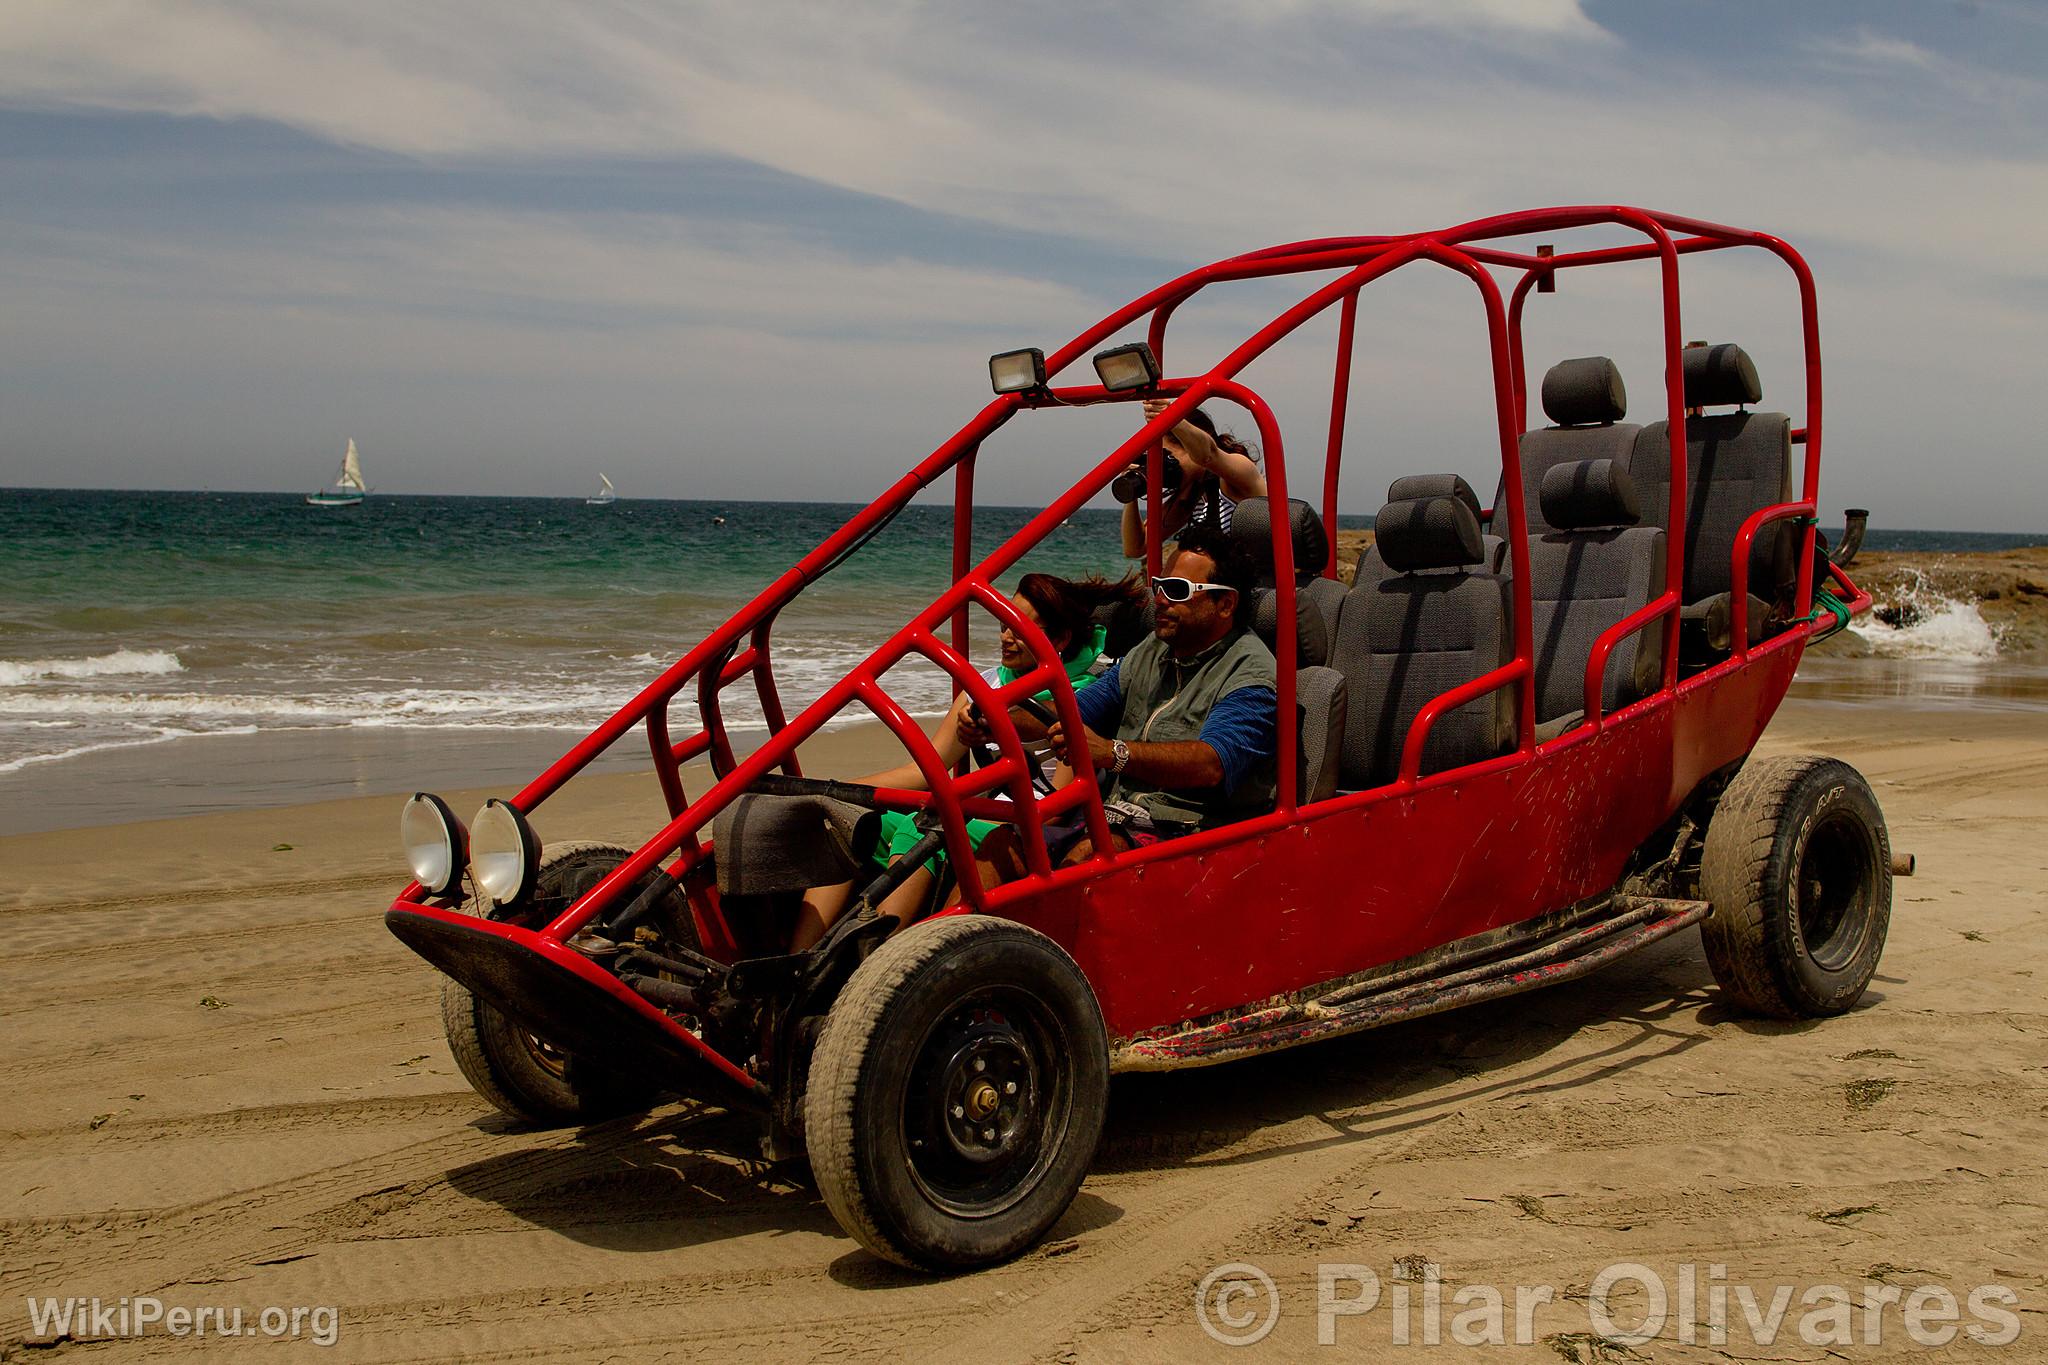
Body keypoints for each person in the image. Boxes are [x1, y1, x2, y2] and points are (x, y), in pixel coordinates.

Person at [788, 571, 1147, 950]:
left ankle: (883, 961)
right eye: (1004, 624)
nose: (1007, 637)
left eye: (1021, 629)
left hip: (1035, 818)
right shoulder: (986, 685)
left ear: (1059, 639)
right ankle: (799, 961)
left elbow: (1060, 802)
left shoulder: (1083, 696)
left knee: (921, 827)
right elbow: (925, 770)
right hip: (985, 806)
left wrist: (960, 806)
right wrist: (840, 790)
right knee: (843, 818)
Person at [967, 525, 1278, 886]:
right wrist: (996, 720)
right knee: (1002, 844)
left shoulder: (1251, 673)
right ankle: (942, 941)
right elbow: (1074, 711)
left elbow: (1211, 764)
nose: (1160, 599)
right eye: (1160, 586)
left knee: (1088, 857)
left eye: (1177, 591)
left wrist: (1114, 753)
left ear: (1225, 604)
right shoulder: (1153, 651)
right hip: (1114, 816)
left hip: (1190, 832)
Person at [1118, 400, 1268, 558]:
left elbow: (1207, 455)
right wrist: (1130, 489)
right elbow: (1135, 548)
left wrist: (1172, 418)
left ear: (1189, 445)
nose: (1161, 469)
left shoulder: (1238, 472)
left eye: (1166, 457)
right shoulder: (1192, 494)